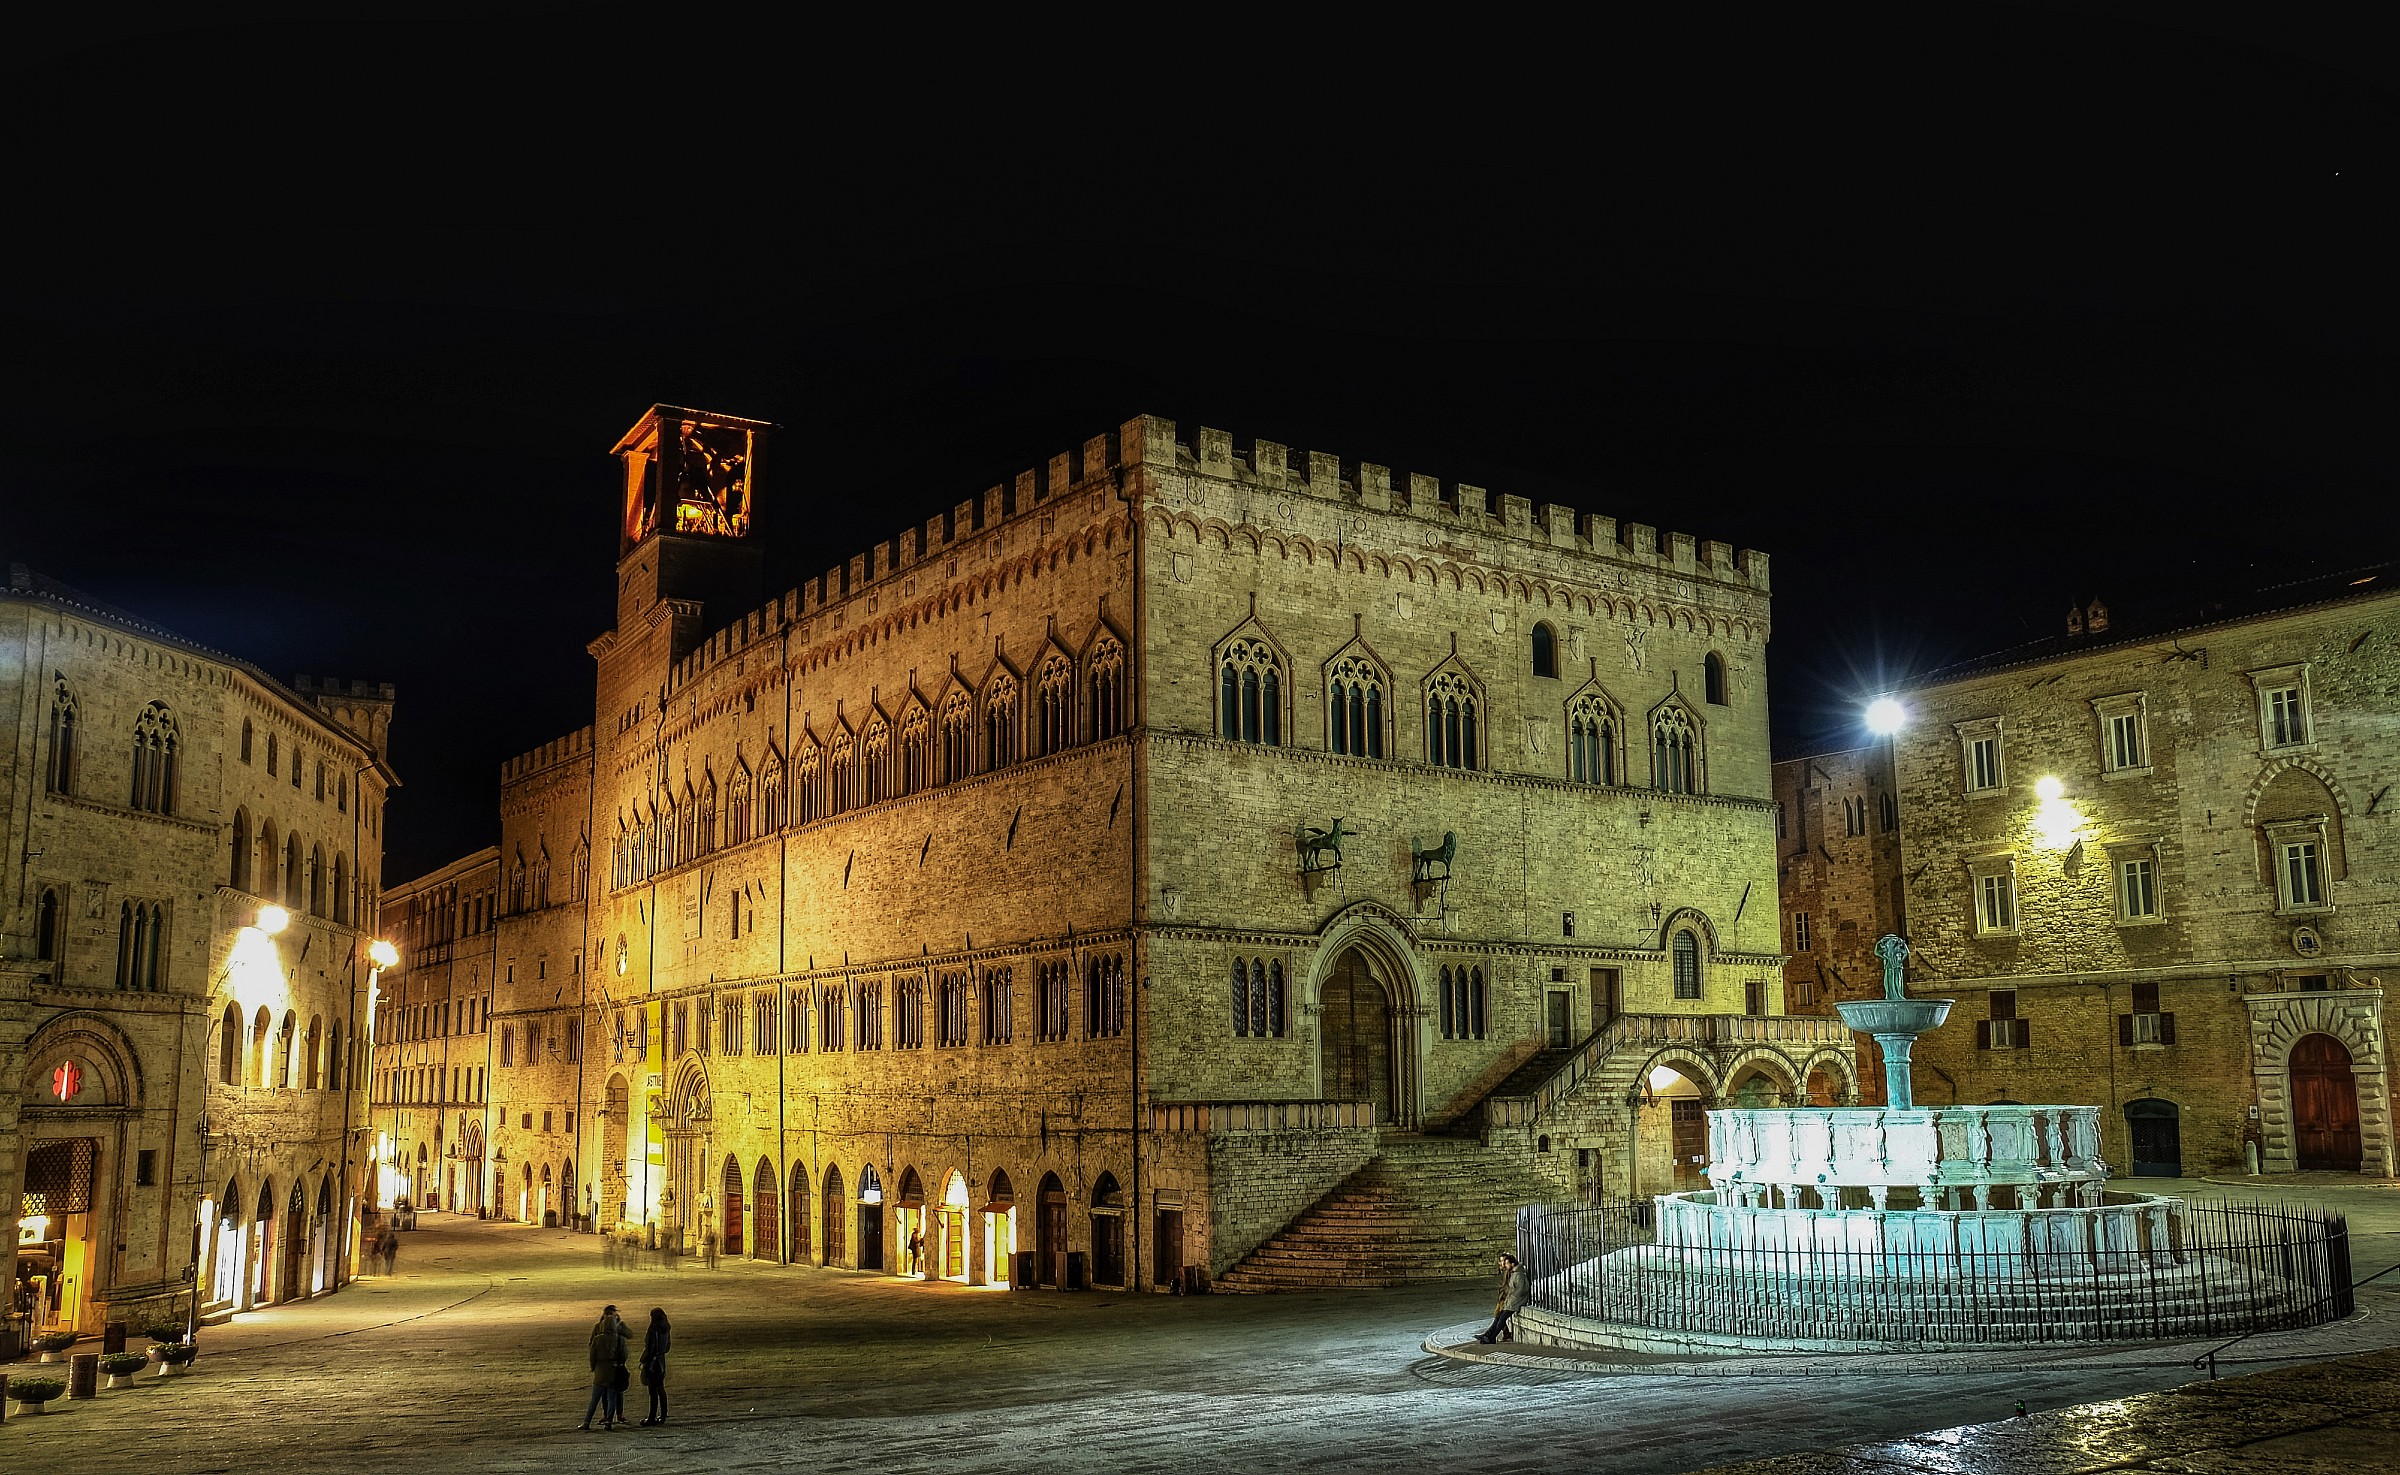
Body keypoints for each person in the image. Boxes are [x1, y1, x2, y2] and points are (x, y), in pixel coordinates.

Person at [581, 1304, 629, 1430]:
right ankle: (609, 1421)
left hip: (601, 1370)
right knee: (612, 1396)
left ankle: (587, 1422)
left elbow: (592, 1353)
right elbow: (624, 1354)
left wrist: (593, 1367)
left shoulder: (598, 1338)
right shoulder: (618, 1337)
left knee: (595, 1399)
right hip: (614, 1369)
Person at [1474, 1252, 1527, 1345]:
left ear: (1512, 1264)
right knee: (1498, 1316)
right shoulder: (1513, 1273)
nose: (1504, 1265)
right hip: (1510, 1301)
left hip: (1515, 1302)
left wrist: (1511, 1296)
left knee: (1502, 1318)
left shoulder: (1519, 1275)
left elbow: (1521, 1290)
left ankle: (1492, 1336)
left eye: (1506, 1263)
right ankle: (1488, 1336)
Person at [638, 1307, 672, 1426]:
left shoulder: (653, 1330)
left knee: (652, 1390)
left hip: (653, 1362)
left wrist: (643, 1360)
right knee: (660, 1388)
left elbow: (650, 1348)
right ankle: (663, 1415)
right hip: (661, 1361)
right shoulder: (666, 1328)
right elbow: (668, 1347)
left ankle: (651, 1417)